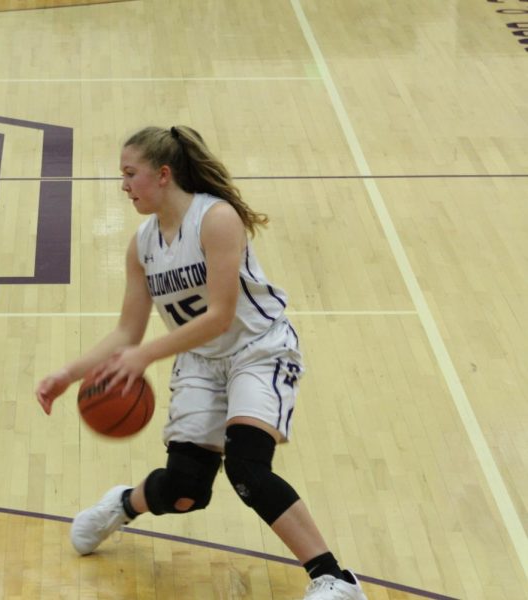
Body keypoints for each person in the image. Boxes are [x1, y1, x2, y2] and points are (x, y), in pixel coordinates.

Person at [35, 126, 368, 600]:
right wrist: (67, 375)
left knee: (247, 467)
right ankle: (122, 505)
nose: (124, 185)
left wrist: (146, 355)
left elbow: (221, 315)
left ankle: (334, 578)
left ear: (163, 175)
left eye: (131, 174)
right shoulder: (142, 245)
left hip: (258, 349)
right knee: (186, 491)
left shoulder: (216, 219)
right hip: (199, 360)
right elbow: (127, 333)